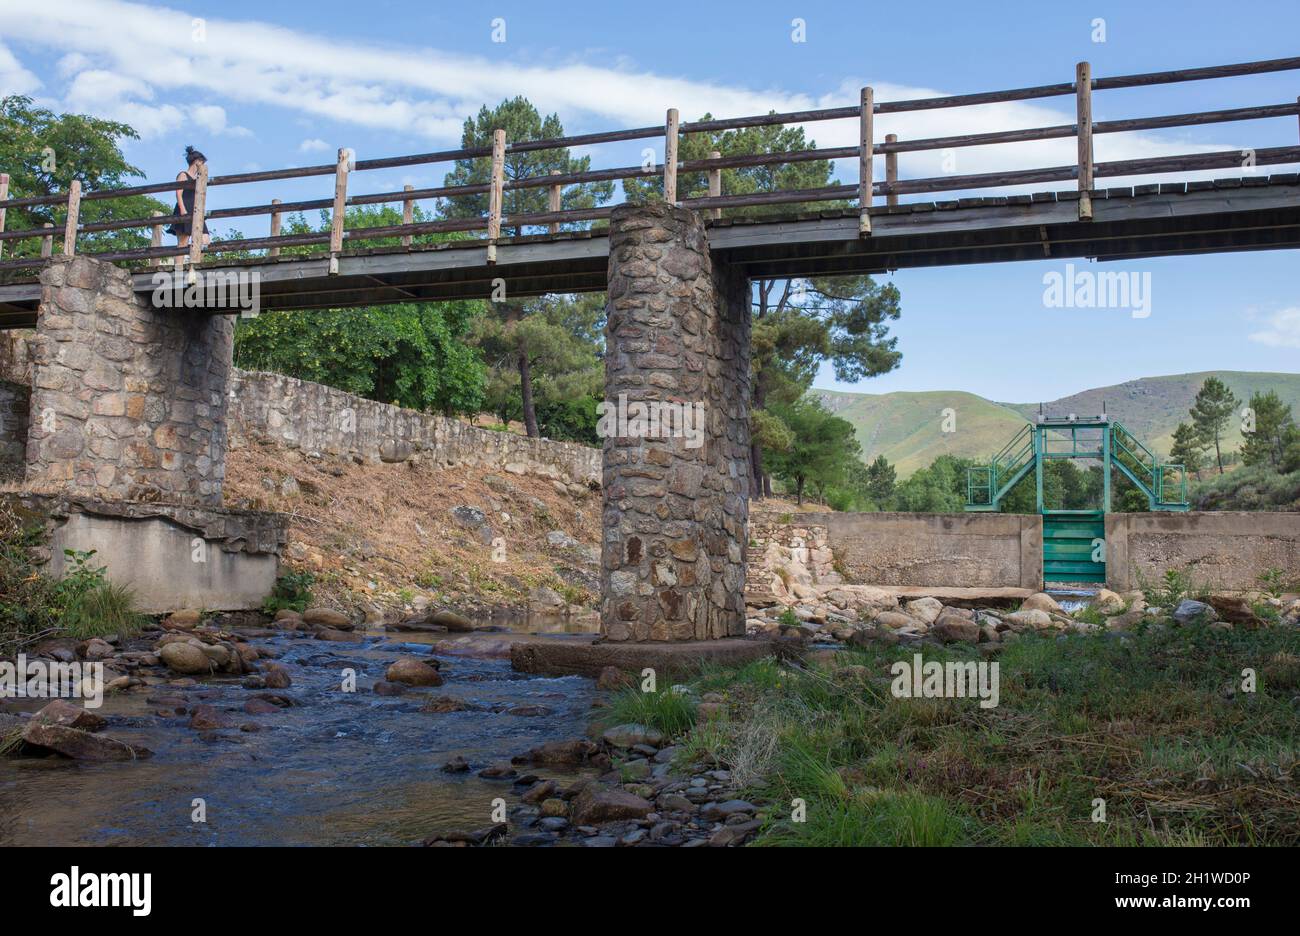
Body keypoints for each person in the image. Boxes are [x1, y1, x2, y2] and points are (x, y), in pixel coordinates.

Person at [167, 145, 211, 260]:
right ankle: (179, 270)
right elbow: (178, 193)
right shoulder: (183, 174)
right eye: (202, 162)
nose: (203, 165)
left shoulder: (198, 178)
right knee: (183, 242)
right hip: (184, 208)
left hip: (195, 210)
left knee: (205, 239)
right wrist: (182, 209)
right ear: (197, 162)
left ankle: (195, 264)